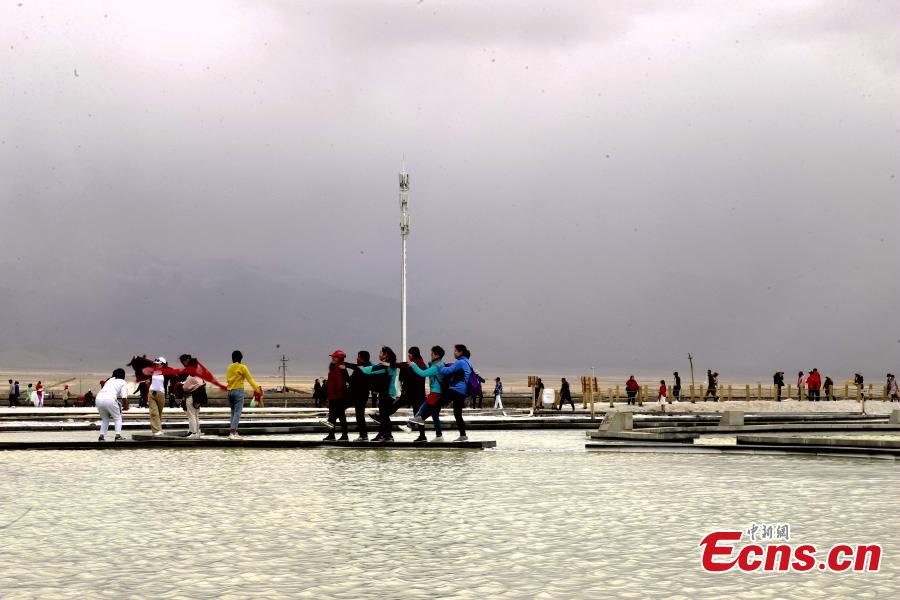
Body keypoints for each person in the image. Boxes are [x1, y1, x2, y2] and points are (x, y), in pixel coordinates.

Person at [347, 346, 398, 443]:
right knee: (384, 416)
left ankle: (387, 436)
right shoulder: (386, 365)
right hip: (385, 393)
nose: (379, 354)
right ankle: (385, 435)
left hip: (388, 394)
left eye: (381, 353)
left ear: (385, 355)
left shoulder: (388, 366)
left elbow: (368, 370)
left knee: (384, 416)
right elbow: (371, 369)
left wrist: (350, 365)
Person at [409, 346, 446, 443]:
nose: (431, 355)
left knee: (422, 409)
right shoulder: (438, 364)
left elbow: (422, 373)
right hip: (439, 393)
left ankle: (409, 425)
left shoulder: (437, 366)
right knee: (434, 415)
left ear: (437, 355)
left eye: (432, 354)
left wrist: (413, 365)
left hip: (435, 393)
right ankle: (439, 436)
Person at [438, 344, 473, 442]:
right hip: (463, 391)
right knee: (457, 413)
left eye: (456, 351)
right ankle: (463, 435)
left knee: (437, 403)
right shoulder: (468, 362)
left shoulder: (460, 362)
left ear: (461, 352)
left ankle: (420, 419)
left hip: (456, 389)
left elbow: (448, 371)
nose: (454, 353)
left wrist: (439, 366)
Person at [226, 350, 263, 440]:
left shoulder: (229, 367)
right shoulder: (243, 367)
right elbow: (250, 379)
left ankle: (235, 432)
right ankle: (232, 433)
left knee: (233, 412)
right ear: (240, 358)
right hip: (238, 391)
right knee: (237, 413)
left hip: (229, 392)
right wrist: (257, 389)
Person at [322, 350, 351, 441]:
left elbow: (340, 384)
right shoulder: (334, 368)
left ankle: (341, 435)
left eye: (335, 357)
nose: (333, 359)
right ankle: (335, 435)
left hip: (337, 397)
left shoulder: (339, 368)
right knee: (335, 417)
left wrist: (337, 396)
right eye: (332, 357)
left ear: (340, 359)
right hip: (333, 396)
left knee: (336, 417)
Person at [95, 368, 129, 442]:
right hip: (110, 399)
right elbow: (124, 397)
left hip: (98, 399)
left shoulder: (109, 380)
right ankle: (118, 436)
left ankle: (101, 436)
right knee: (117, 418)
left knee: (105, 419)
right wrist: (126, 406)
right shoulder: (123, 382)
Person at [348, 351, 373, 441]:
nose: (357, 359)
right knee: (359, 415)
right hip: (360, 395)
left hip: (358, 395)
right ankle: (363, 435)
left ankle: (363, 435)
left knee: (359, 415)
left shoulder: (363, 368)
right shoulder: (365, 367)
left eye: (358, 357)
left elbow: (351, 379)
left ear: (362, 359)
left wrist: (344, 369)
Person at [147, 357, 168, 436]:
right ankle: (156, 431)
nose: (156, 365)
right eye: (155, 364)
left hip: (161, 393)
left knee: (159, 413)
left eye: (158, 364)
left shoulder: (166, 373)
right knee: (153, 413)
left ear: (163, 364)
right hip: (152, 392)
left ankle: (159, 429)